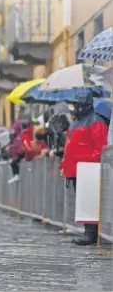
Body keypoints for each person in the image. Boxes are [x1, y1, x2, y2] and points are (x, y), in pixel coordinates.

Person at [59, 92, 108, 246]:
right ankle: (89, 231)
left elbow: (101, 148)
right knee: (84, 202)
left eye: (78, 104)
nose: (76, 107)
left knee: (90, 201)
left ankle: (91, 233)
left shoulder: (96, 121)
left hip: (88, 170)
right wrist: (65, 164)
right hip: (77, 169)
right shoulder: (75, 123)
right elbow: (69, 147)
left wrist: (87, 162)